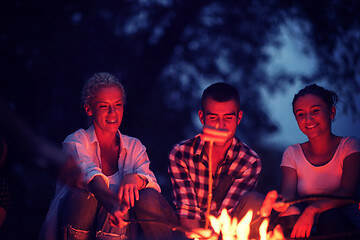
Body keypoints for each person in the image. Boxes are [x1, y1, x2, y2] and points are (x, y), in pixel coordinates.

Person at [40, 72, 178, 240]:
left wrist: (136, 179)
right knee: (86, 194)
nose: (113, 112)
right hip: (75, 224)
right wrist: (113, 205)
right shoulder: (75, 141)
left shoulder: (134, 146)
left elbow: (152, 186)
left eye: (118, 105)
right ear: (89, 109)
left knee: (144, 193)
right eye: (104, 106)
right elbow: (90, 176)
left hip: (122, 232)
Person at [168, 82, 263, 238]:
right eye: (213, 117)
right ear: (201, 117)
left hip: (226, 230)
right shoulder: (181, 153)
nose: (221, 125)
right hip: (186, 230)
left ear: (238, 117)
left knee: (254, 200)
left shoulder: (249, 161)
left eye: (228, 117)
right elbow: (187, 213)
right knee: (150, 200)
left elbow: (227, 216)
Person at [269, 84, 360, 239]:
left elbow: (347, 192)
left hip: (343, 226)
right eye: (301, 114)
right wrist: (278, 201)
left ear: (331, 112)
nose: (308, 119)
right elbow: (288, 195)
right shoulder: (292, 153)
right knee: (288, 214)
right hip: (309, 224)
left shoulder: (349, 146)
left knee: (328, 217)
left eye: (315, 111)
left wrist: (314, 209)